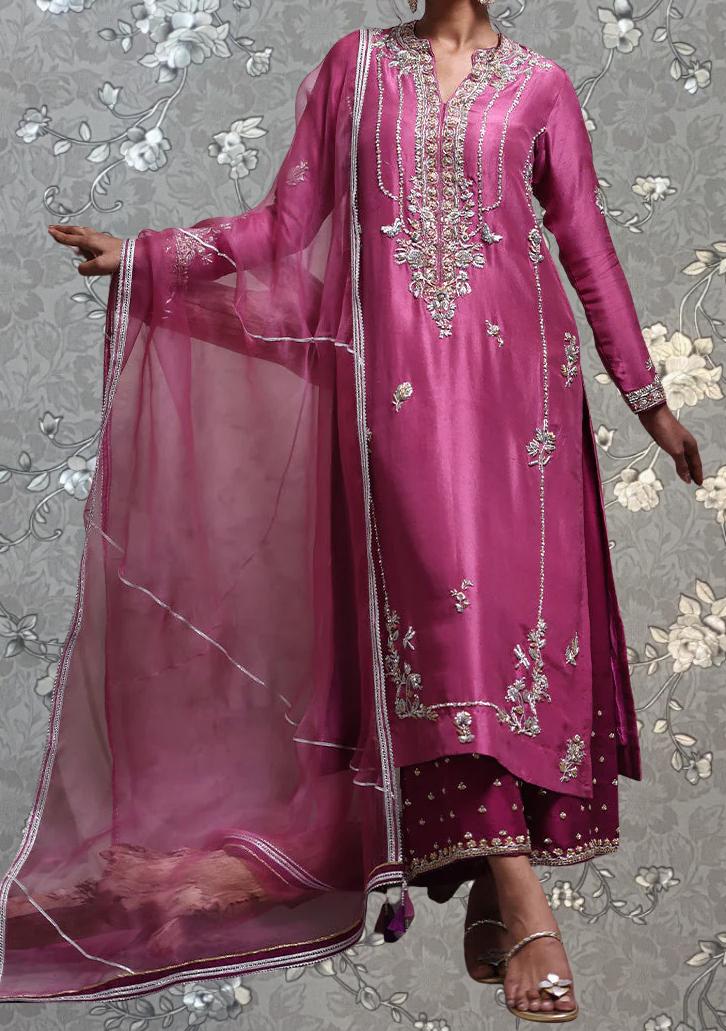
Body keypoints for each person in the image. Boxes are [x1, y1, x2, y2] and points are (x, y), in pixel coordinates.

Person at [4, 0, 701, 1020]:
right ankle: (524, 899)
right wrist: (149, 258)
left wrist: (647, 396)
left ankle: (484, 878)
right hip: (400, 398)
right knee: (443, 634)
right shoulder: (357, 67)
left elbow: (583, 237)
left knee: (502, 641)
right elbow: (289, 223)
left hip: (522, 406)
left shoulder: (541, 85)